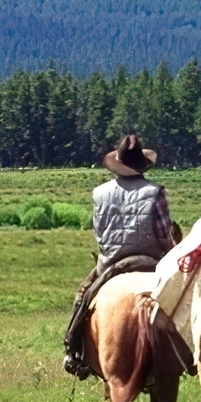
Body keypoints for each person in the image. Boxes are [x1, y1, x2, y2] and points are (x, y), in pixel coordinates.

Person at [62, 134, 175, 378]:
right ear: (143, 165)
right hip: (152, 260)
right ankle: (193, 350)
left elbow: (99, 232)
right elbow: (164, 235)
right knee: (186, 297)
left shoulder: (99, 193)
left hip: (111, 261)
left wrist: (111, 249)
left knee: (83, 295)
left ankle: (73, 350)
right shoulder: (155, 192)